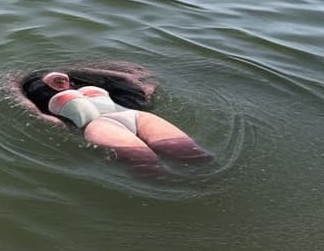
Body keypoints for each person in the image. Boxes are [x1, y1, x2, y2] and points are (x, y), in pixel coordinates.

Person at [19, 65, 211, 172]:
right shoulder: (42, 97)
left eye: (64, 76)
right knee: (150, 167)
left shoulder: (86, 87)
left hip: (137, 116)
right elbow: (24, 103)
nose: (61, 78)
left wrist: (77, 70)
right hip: (98, 126)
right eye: (53, 78)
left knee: (195, 156)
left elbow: (138, 72)